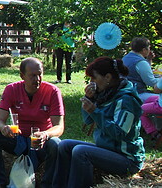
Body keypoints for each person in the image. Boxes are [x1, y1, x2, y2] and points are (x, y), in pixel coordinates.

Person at [51, 57, 145, 188]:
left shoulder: (127, 100)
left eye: (94, 78)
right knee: (64, 145)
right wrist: (89, 100)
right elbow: (88, 120)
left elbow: (119, 133)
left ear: (107, 77)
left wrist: (95, 111)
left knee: (80, 152)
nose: (91, 82)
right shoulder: (105, 94)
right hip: (107, 149)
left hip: (126, 159)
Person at [0, 57, 64, 188]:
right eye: (32, 75)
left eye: (40, 74)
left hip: (41, 140)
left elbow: (59, 126)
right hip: (18, 139)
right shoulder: (11, 89)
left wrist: (45, 134)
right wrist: (4, 128)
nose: (37, 79)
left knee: (56, 143)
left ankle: (47, 183)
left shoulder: (52, 91)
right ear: (22, 76)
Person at [123, 37, 159, 102]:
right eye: (149, 48)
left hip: (125, 93)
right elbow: (151, 82)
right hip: (137, 94)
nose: (150, 50)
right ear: (144, 50)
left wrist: (149, 59)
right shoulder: (140, 62)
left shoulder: (125, 58)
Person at [139, 78, 162, 146]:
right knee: (151, 98)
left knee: (140, 110)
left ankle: (153, 132)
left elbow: (156, 90)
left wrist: (158, 82)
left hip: (160, 107)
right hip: (158, 100)